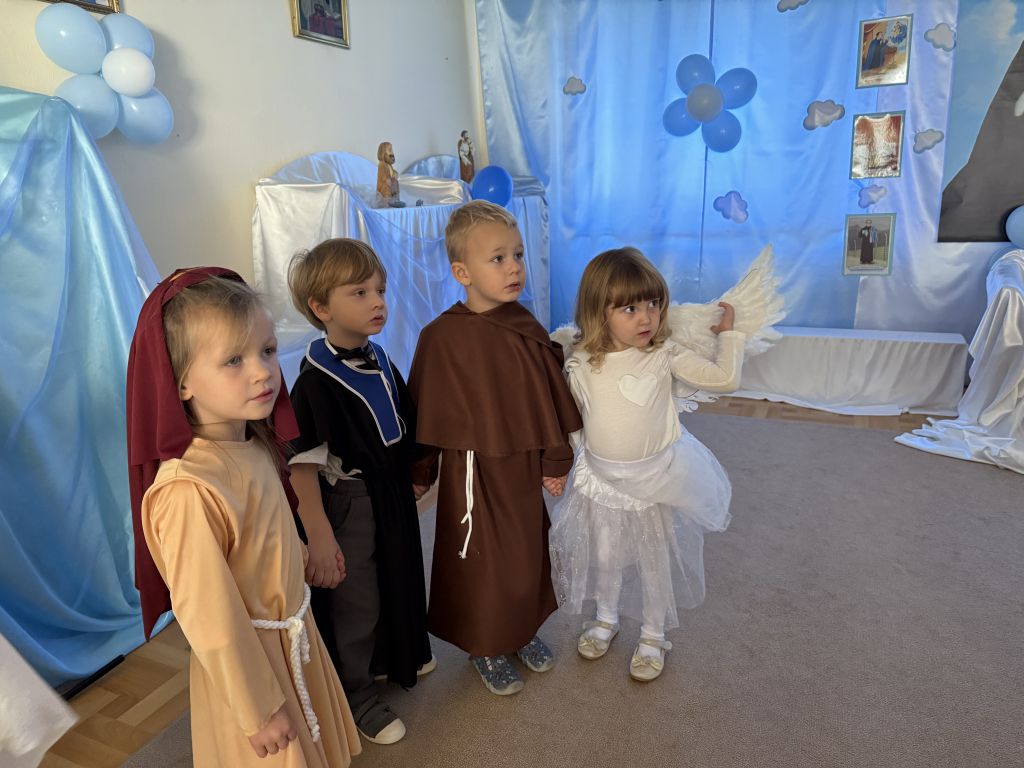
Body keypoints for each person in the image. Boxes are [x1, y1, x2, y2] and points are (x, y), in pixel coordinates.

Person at [126, 268, 359, 767]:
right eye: (234, 360)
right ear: (180, 381)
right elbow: (210, 616)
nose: (263, 372)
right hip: (251, 663)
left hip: (290, 632)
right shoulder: (188, 490)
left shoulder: (252, 445)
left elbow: (263, 533)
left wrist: (299, 556)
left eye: (267, 351)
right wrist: (259, 709)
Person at [408, 200, 583, 695]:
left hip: (520, 465)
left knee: (526, 552)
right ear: (462, 272)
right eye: (498, 258)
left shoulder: (525, 327)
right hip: (472, 470)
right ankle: (485, 643)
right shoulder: (441, 338)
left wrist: (555, 459)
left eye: (518, 255)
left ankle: (520, 630)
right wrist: (419, 473)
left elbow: (548, 399)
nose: (514, 268)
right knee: (481, 558)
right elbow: (426, 412)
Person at [548, 248, 745, 682]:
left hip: (654, 480)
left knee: (654, 562)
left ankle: (654, 634)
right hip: (602, 481)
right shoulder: (580, 360)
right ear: (599, 311)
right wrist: (569, 463)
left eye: (654, 304)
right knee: (605, 557)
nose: (646, 318)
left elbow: (726, 379)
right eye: (630, 308)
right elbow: (574, 418)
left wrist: (729, 336)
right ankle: (606, 617)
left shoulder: (664, 355)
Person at [286, 239, 432, 745]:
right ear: (321, 308)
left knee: (398, 574)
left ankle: (393, 657)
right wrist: (319, 534)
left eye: (380, 290)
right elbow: (302, 464)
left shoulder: (378, 357)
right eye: (360, 292)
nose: (378, 302)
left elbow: (402, 422)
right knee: (357, 600)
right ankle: (354, 695)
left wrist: (416, 471)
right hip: (351, 503)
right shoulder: (315, 382)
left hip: (390, 495)